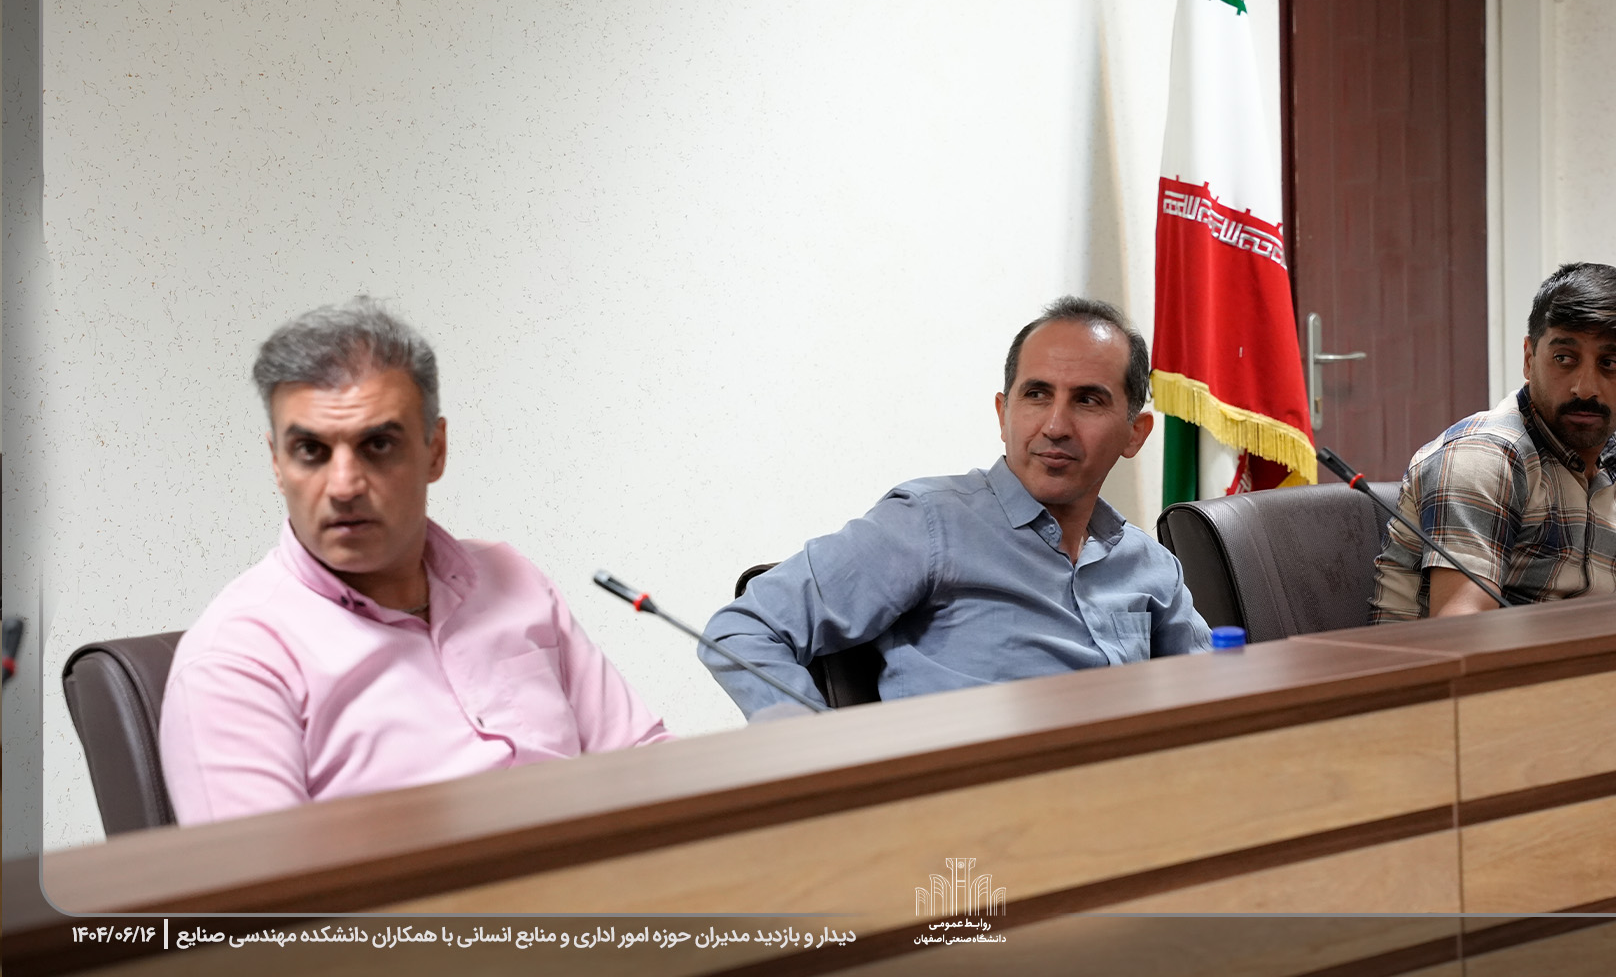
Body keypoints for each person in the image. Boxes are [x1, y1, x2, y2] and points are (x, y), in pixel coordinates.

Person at [159, 298, 669, 825]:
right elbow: (266, 879)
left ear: (435, 451)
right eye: (311, 450)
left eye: (377, 445)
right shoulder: (235, 662)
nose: (343, 486)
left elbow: (643, 761)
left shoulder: (510, 577)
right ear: (276, 463)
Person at [699, 296, 1213, 717]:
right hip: (980, 808)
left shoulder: (1149, 566)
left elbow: (1210, 691)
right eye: (1036, 395)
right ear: (1003, 413)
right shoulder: (927, 525)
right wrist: (814, 750)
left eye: (1087, 400)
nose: (1056, 426)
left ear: (1135, 433)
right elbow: (744, 630)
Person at [1371, 263, 1616, 621]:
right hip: (1432, 657)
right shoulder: (1481, 458)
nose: (1584, 388)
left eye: (1610, 363)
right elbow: (1462, 629)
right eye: (1563, 359)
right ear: (1528, 358)